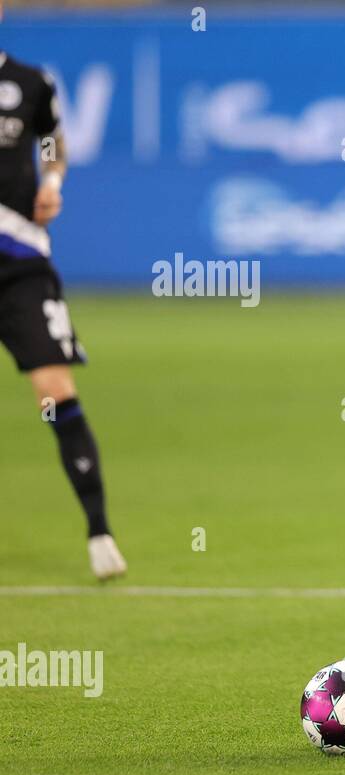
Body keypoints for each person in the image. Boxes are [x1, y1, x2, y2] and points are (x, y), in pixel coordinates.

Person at [0, 25, 126, 580]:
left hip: (20, 264)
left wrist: (53, 180)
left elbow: (52, 141)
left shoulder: (30, 83)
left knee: (54, 394)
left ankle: (99, 531)